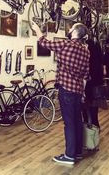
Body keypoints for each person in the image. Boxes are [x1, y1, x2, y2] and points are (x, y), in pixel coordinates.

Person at [31, 21, 90, 165]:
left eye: (72, 27)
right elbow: (86, 75)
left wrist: (37, 30)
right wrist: (83, 93)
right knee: (77, 121)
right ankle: (77, 153)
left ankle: (69, 156)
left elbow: (45, 43)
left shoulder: (66, 45)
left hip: (66, 90)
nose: (70, 29)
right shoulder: (86, 51)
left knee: (69, 123)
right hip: (78, 91)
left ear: (75, 32)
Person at [83, 36, 104, 128]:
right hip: (96, 87)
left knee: (86, 109)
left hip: (89, 87)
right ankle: (95, 129)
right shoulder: (98, 60)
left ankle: (88, 130)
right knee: (94, 110)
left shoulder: (88, 59)